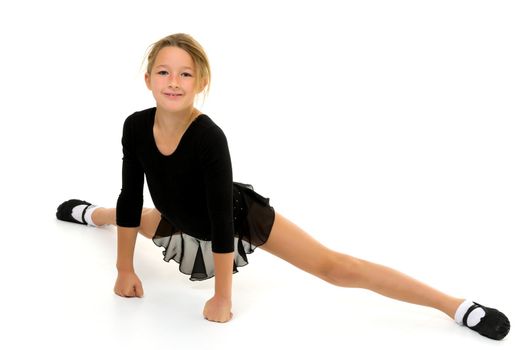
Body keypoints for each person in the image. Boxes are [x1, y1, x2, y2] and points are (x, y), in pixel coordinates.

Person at [56, 33, 510, 339]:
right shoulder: (135, 127)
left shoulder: (208, 136)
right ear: (148, 78)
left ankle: (455, 305)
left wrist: (222, 296)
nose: (173, 82)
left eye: (185, 73)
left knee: (336, 267)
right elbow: (132, 197)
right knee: (130, 216)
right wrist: (124, 270)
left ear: (201, 82)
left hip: (231, 217)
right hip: (176, 214)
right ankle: (86, 213)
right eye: (163, 72)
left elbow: (217, 217)